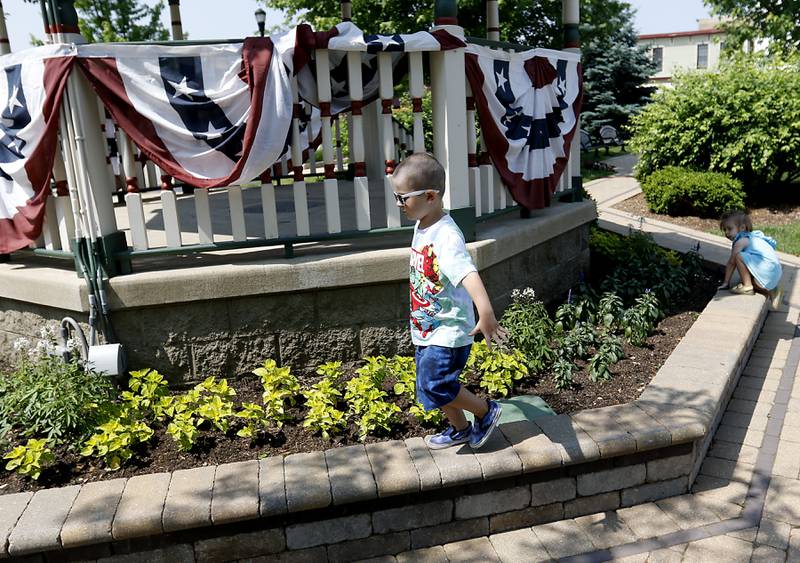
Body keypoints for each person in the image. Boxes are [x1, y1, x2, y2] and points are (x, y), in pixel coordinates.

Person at [391, 153, 507, 450]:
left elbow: (467, 272)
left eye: (403, 198)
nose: (399, 205)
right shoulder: (423, 224)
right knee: (431, 387)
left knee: (436, 384)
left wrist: (486, 311)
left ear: (430, 196)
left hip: (450, 330)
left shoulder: (446, 236)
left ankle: (485, 410)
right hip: (429, 327)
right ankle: (460, 429)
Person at [718, 210, 783, 308]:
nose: (726, 233)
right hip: (774, 273)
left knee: (739, 256)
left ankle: (747, 286)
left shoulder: (741, 241)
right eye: (724, 230)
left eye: (729, 229)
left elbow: (732, 263)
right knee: (747, 263)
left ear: (742, 228)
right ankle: (774, 291)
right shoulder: (753, 237)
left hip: (766, 272)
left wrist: (726, 282)